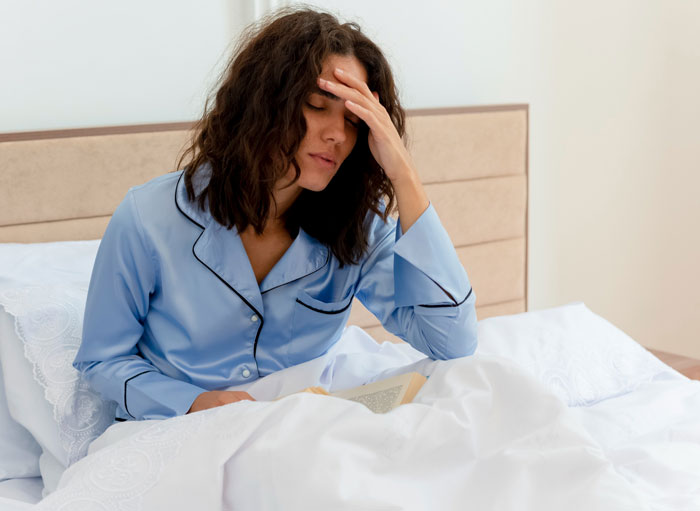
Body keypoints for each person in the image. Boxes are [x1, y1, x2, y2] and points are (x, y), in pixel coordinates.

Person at [73, 8, 478, 422]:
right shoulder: (148, 218)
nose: (338, 134)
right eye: (318, 106)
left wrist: (404, 175)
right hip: (178, 431)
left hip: (299, 434)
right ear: (264, 103)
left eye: (355, 122)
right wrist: (191, 402)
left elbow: (452, 341)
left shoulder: (356, 228)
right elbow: (102, 362)